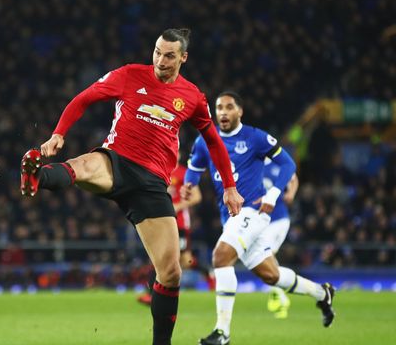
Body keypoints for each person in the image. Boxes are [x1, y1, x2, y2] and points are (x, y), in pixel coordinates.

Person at [20, 28, 244, 345]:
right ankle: (36, 177)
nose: (160, 60)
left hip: (152, 185)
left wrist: (230, 187)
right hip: (117, 161)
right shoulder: (129, 75)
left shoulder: (192, 96)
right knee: (84, 165)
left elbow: (214, 142)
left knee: (170, 273)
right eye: (157, 52)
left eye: (169, 55)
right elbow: (85, 97)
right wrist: (59, 133)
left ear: (183, 58)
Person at [182, 91, 335, 345]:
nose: (222, 112)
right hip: (229, 216)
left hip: (253, 212)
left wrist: (273, 195)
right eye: (219, 107)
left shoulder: (255, 137)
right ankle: (322, 293)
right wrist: (189, 183)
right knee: (270, 275)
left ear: (239, 111)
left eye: (229, 107)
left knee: (220, 257)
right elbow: (194, 169)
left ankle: (222, 332)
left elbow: (288, 165)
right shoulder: (205, 141)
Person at [137, 152, 210, 306]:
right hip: (161, 221)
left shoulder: (184, 173)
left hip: (180, 223)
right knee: (161, 256)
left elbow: (197, 196)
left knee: (183, 259)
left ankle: (208, 273)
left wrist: (177, 206)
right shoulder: (158, 170)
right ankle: (152, 294)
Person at [263, 161, 299, 318]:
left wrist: (291, 193)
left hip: (279, 219)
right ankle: (279, 293)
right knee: (265, 257)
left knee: (265, 255)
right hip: (263, 222)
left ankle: (280, 296)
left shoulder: (276, 164)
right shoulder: (252, 163)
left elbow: (294, 178)